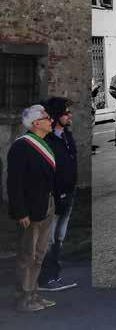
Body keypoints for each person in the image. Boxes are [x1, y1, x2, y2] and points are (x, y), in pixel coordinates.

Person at [7, 105, 57, 312]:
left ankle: (34, 293)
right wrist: (20, 212)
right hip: (31, 209)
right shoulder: (22, 146)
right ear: (36, 123)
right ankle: (24, 297)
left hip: (46, 204)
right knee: (28, 254)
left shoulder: (43, 143)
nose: (50, 121)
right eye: (47, 118)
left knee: (39, 253)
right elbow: (14, 182)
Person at [37, 97, 78, 292]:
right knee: (49, 239)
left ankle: (54, 275)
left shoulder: (66, 136)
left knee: (59, 239)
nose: (70, 115)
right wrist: (56, 194)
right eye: (66, 112)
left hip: (68, 194)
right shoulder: (48, 140)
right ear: (55, 116)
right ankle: (45, 279)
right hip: (54, 196)